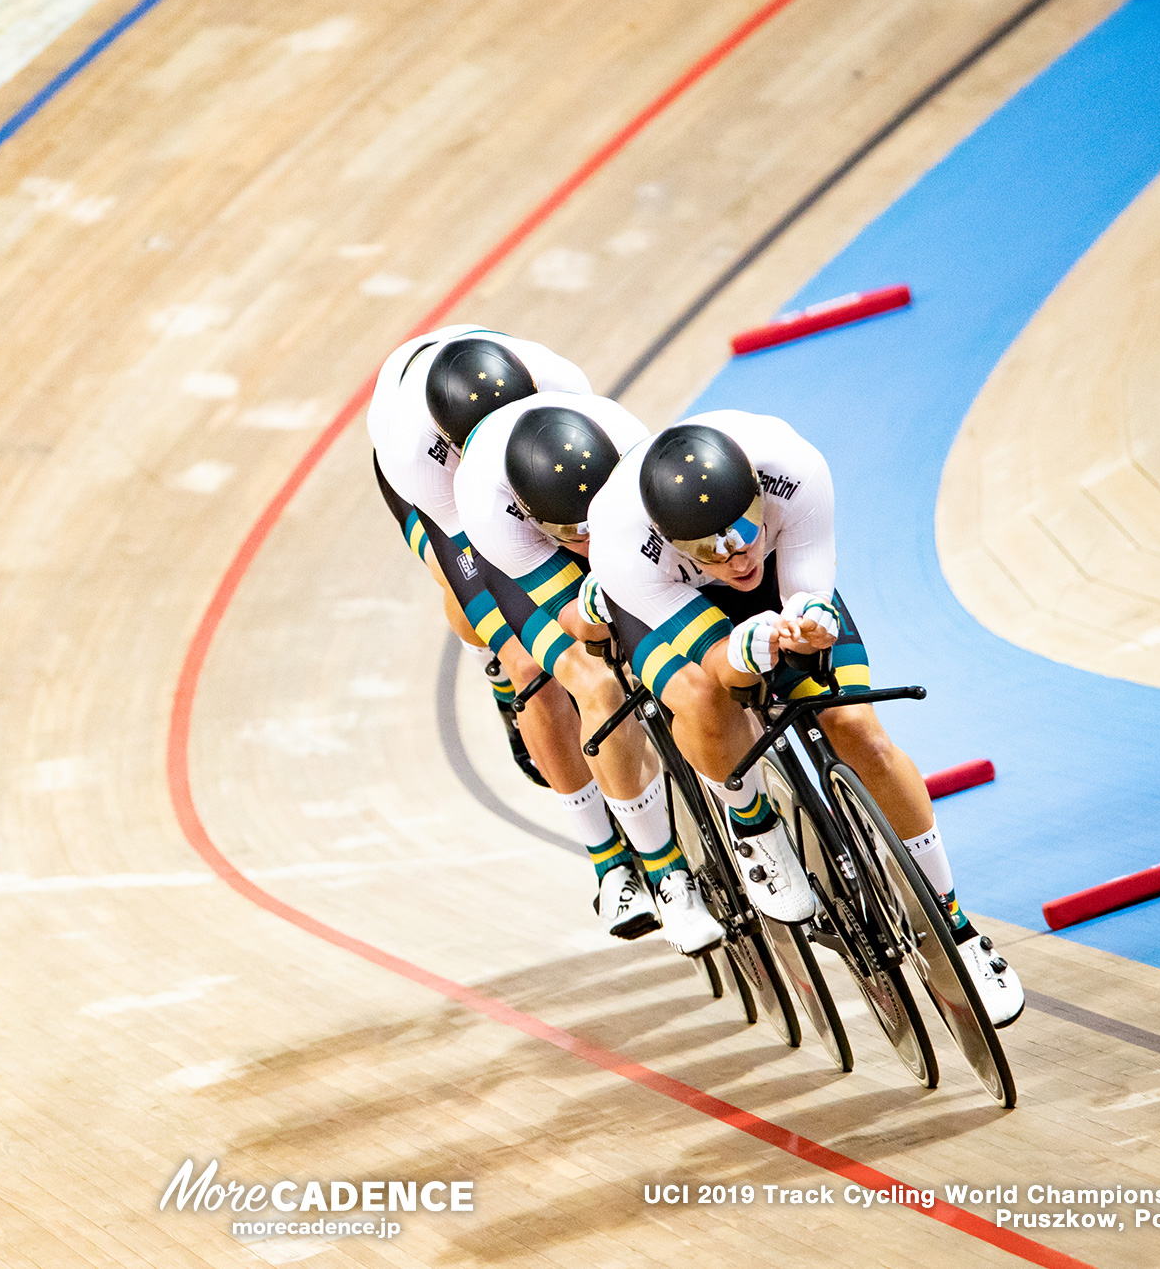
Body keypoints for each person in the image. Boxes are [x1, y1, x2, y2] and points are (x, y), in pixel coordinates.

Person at [578, 412, 1024, 1025]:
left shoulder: (795, 469)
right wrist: (745, 651)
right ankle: (753, 824)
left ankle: (956, 927)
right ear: (676, 540)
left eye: (742, 530)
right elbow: (722, 666)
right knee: (709, 700)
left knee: (858, 730)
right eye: (710, 547)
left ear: (760, 498)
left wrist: (809, 623)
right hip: (673, 603)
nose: (733, 556)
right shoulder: (623, 547)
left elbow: (808, 595)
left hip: (781, 580)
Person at [368, 326, 659, 939]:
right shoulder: (413, 451)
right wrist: (524, 640)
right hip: (449, 501)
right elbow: (486, 561)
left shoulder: (561, 386)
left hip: (542, 466)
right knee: (531, 659)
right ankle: (610, 867)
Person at [454, 392, 725, 955]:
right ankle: (653, 872)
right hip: (518, 557)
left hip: (615, 506)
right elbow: (560, 609)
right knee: (586, 679)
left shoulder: (624, 439)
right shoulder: (481, 502)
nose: (583, 535)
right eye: (567, 528)